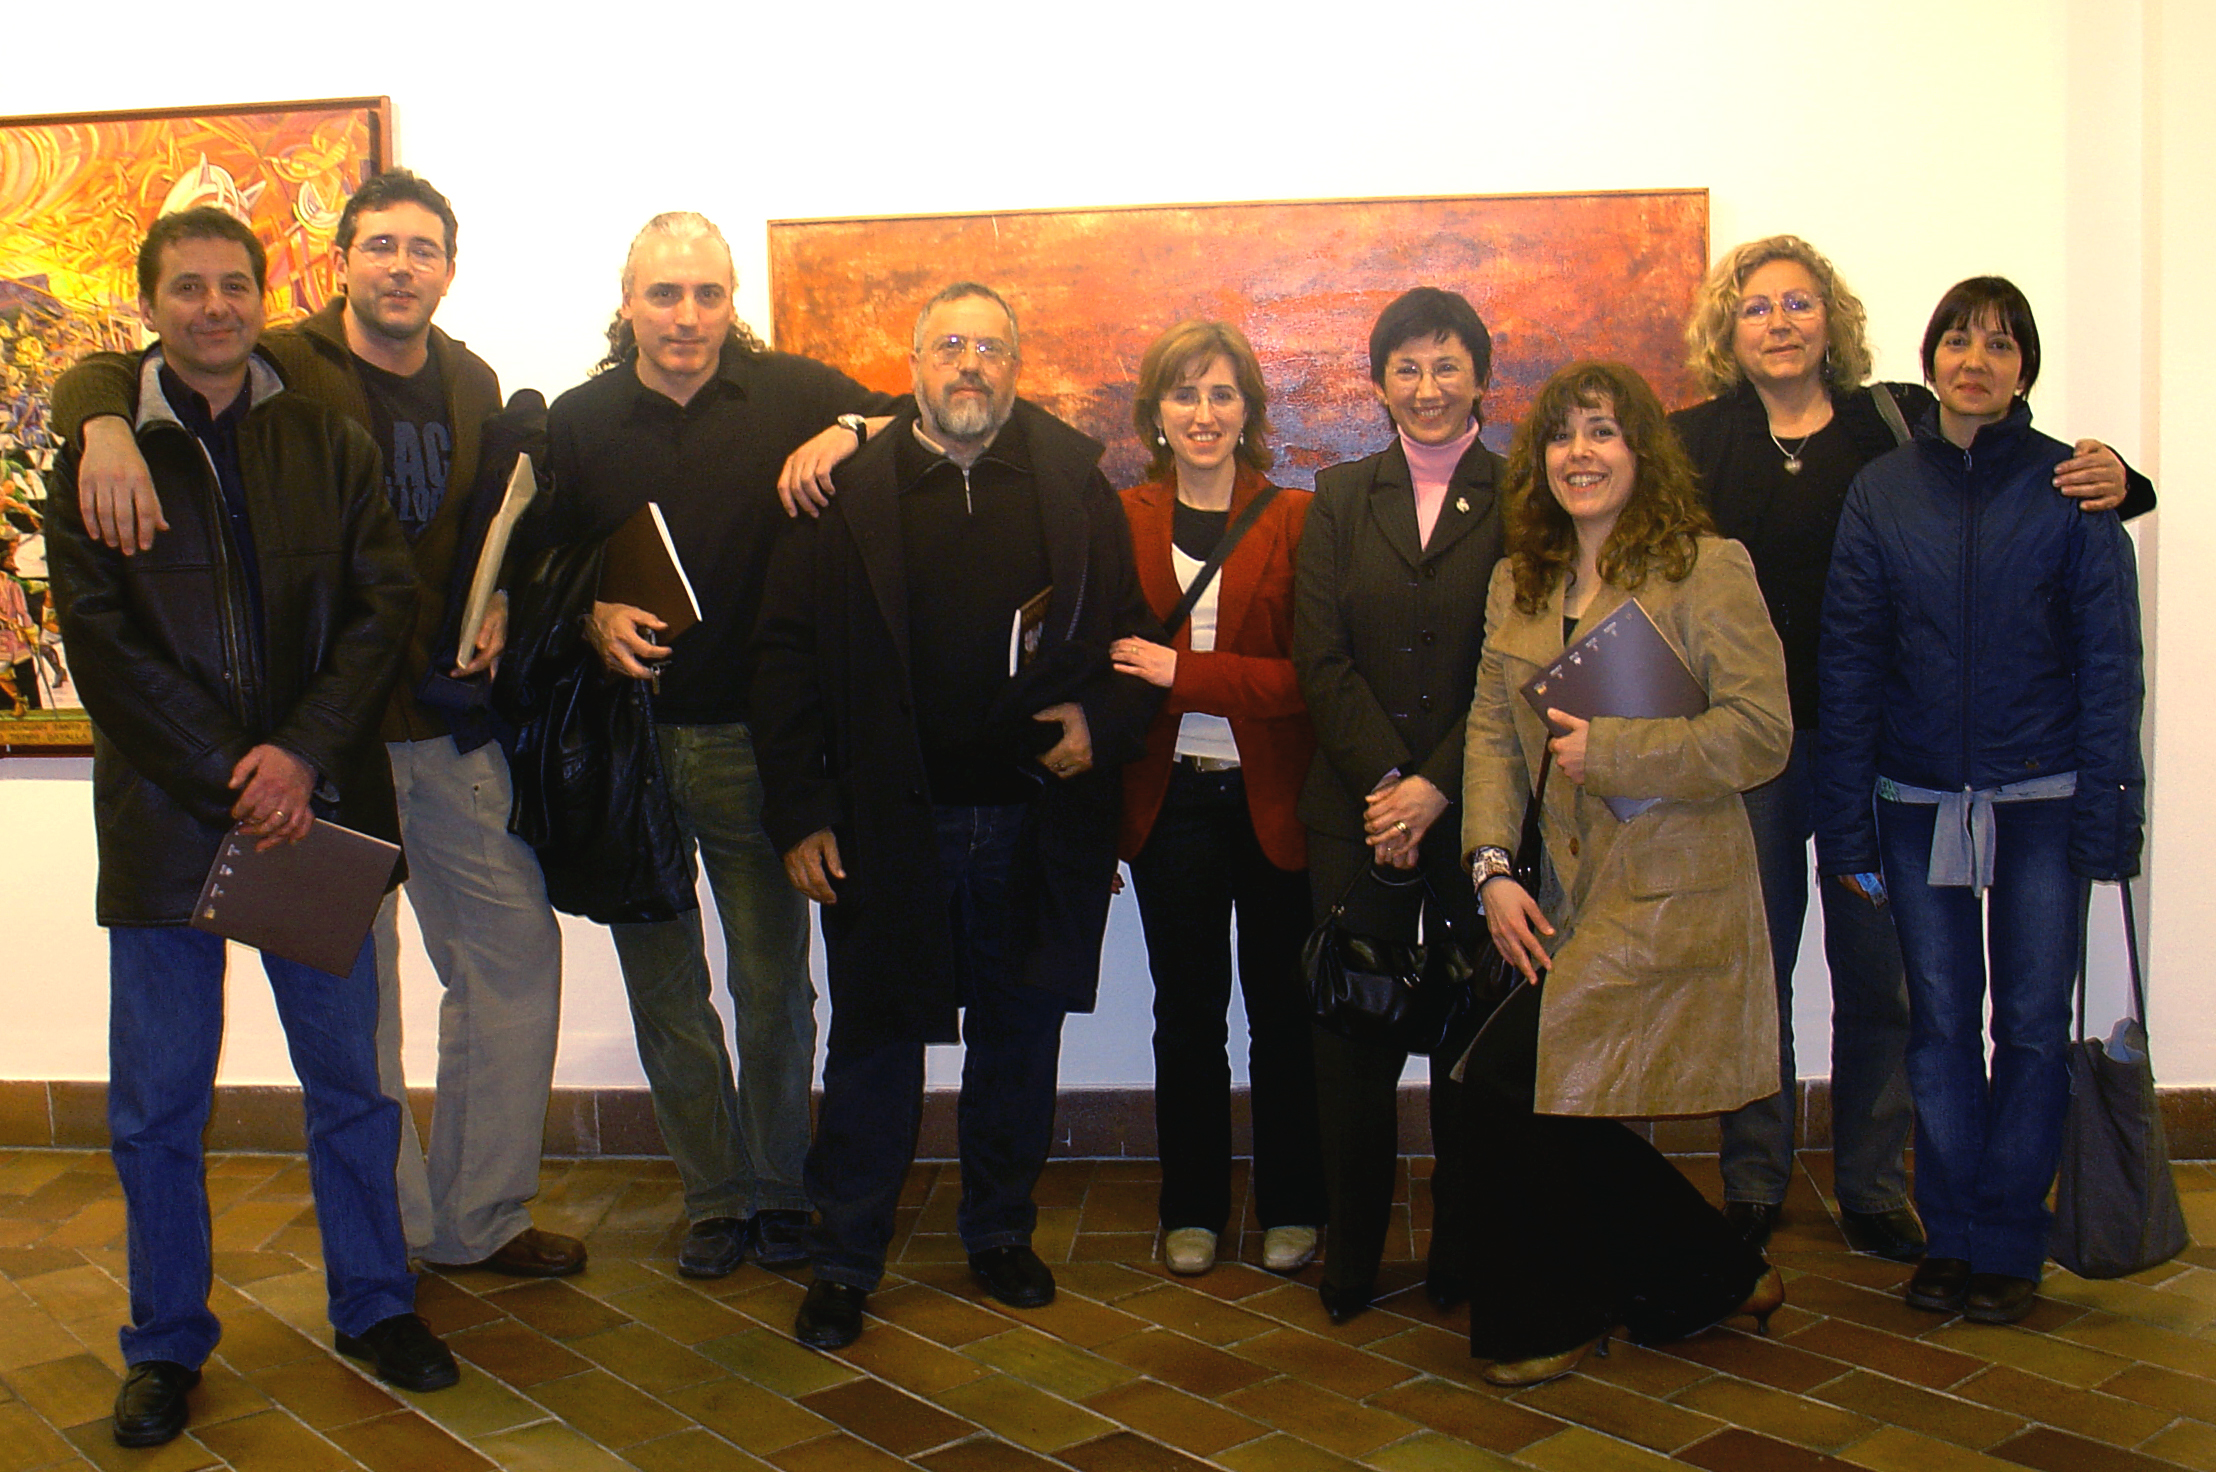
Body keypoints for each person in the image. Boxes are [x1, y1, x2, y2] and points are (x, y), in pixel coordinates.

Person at [53, 171, 588, 1279]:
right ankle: (392, 1230)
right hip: (327, 747)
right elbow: (124, 363)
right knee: (359, 1000)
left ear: (449, 269)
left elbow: (482, 528)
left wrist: (497, 593)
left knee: (512, 954)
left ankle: (479, 1217)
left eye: (423, 248)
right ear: (339, 262)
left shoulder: (470, 380)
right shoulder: (282, 362)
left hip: (439, 724)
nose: (402, 266)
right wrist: (99, 422)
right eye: (380, 245)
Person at [45, 208, 457, 1448]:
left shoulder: (328, 438)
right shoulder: (99, 452)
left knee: (351, 1086)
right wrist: (233, 770)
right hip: (169, 818)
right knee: (156, 1107)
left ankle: (375, 1302)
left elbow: (384, 603)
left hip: (311, 813)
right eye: (188, 287)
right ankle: (165, 1340)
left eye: (234, 284)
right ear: (150, 305)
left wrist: (301, 754)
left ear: (264, 295)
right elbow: (99, 641)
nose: (213, 306)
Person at [1669, 235, 2155, 1261]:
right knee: (1752, 968)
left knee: (1881, 980)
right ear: (1727, 328)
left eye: (1799, 303)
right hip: (1743, 750)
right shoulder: (1689, 442)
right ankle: (1753, 1177)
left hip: (1875, 748)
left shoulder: (1886, 418)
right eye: (1756, 307)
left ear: (1832, 320)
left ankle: (1870, 1183)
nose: (1780, 323)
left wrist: (2127, 480)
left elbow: (2011, 468)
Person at [753, 282, 1161, 1350]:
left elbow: (1130, 643)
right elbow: (783, 661)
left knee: (1019, 1042)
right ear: (915, 366)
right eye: (948, 344)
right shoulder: (846, 490)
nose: (969, 362)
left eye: (989, 345)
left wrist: (1100, 722)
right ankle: (845, 1257)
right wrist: (800, 810)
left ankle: (998, 1230)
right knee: (875, 1047)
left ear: (1016, 365)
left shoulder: (1073, 485)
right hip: (890, 824)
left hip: (1033, 820)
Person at [543, 211, 901, 1279]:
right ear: (628, 303)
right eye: (665, 294)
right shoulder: (577, 421)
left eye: (708, 293)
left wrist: (849, 430)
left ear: (731, 301)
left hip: (758, 746)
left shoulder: (790, 392)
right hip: (629, 747)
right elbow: (536, 565)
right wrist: (588, 613)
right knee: (665, 989)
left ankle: (781, 1189)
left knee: (773, 986)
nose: (687, 316)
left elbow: (917, 417)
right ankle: (714, 1195)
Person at [1817, 278, 2144, 1326]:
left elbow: (2110, 665)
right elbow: (1849, 660)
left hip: (2042, 797)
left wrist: (2112, 811)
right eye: (1957, 340)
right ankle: (1951, 1233)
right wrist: (1846, 826)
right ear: (1930, 360)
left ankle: (2009, 1238)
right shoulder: (1881, 491)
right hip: (1915, 800)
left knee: (2034, 1027)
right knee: (1940, 1026)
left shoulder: (2072, 487)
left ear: (2023, 368)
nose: (1975, 360)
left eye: (2000, 344)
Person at [1461, 359, 1790, 1386]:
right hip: (1567, 890)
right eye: (1561, 435)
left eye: (1601, 431)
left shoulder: (1705, 567)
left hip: (1672, 884)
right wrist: (1489, 869)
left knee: (1509, 1076)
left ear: (1640, 449)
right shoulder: (1518, 581)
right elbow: (1490, 733)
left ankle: (1549, 1316)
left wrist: (1616, 752)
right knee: (1535, 1085)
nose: (1580, 453)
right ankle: (1710, 1273)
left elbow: (1761, 732)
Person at [1291, 287, 1502, 1322]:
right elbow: (1318, 655)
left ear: (1480, 378)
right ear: (1378, 383)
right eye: (1406, 368)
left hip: (1480, 814)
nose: (1427, 386)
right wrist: (1388, 784)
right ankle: (1351, 1260)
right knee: (1351, 1049)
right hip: (1355, 815)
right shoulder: (1338, 496)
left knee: (1473, 1045)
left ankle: (1465, 1255)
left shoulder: (1524, 499)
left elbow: (1516, 666)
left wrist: (1435, 786)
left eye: (1446, 364)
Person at [1110, 321, 1324, 1277]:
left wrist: (1183, 673)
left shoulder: (1295, 520)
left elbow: (1310, 679)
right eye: (1184, 393)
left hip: (1274, 804)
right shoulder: (1121, 519)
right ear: (1157, 412)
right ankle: (1191, 1208)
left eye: (1222, 393)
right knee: (1187, 1017)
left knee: (1285, 1015)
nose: (1203, 413)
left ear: (1249, 411)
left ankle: (1294, 1204)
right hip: (1170, 807)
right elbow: (1104, 670)